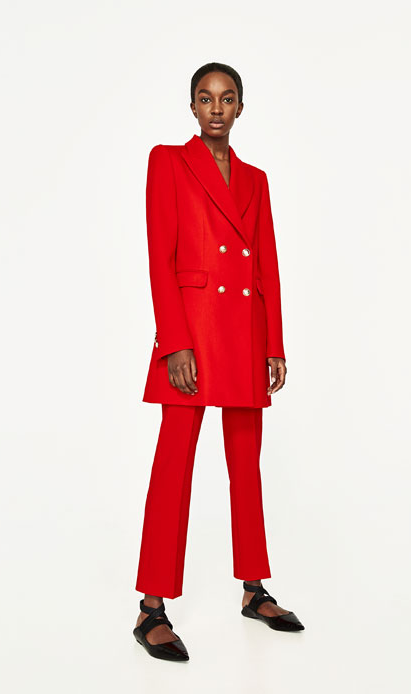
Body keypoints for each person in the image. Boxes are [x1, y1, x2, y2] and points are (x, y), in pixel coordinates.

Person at [133, 62, 304, 662]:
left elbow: (267, 263)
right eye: (205, 98)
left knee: (246, 465)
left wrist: (273, 342)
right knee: (173, 467)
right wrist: (174, 341)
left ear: (239, 108)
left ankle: (254, 589)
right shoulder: (167, 162)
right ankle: (151, 607)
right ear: (192, 106)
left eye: (226, 99)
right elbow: (161, 256)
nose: (215, 108)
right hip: (192, 335)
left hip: (243, 333)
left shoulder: (256, 179)